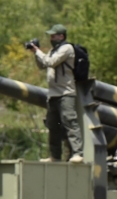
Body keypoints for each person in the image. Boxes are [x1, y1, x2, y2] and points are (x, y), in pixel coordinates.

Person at [30, 24, 83, 163]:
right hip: (53, 94)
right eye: (51, 35)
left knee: (69, 122)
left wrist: (38, 51)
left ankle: (77, 153)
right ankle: (55, 156)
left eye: (54, 35)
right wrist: (35, 53)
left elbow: (50, 62)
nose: (51, 38)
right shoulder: (54, 50)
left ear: (61, 36)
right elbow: (42, 64)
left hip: (66, 93)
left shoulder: (66, 48)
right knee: (52, 126)